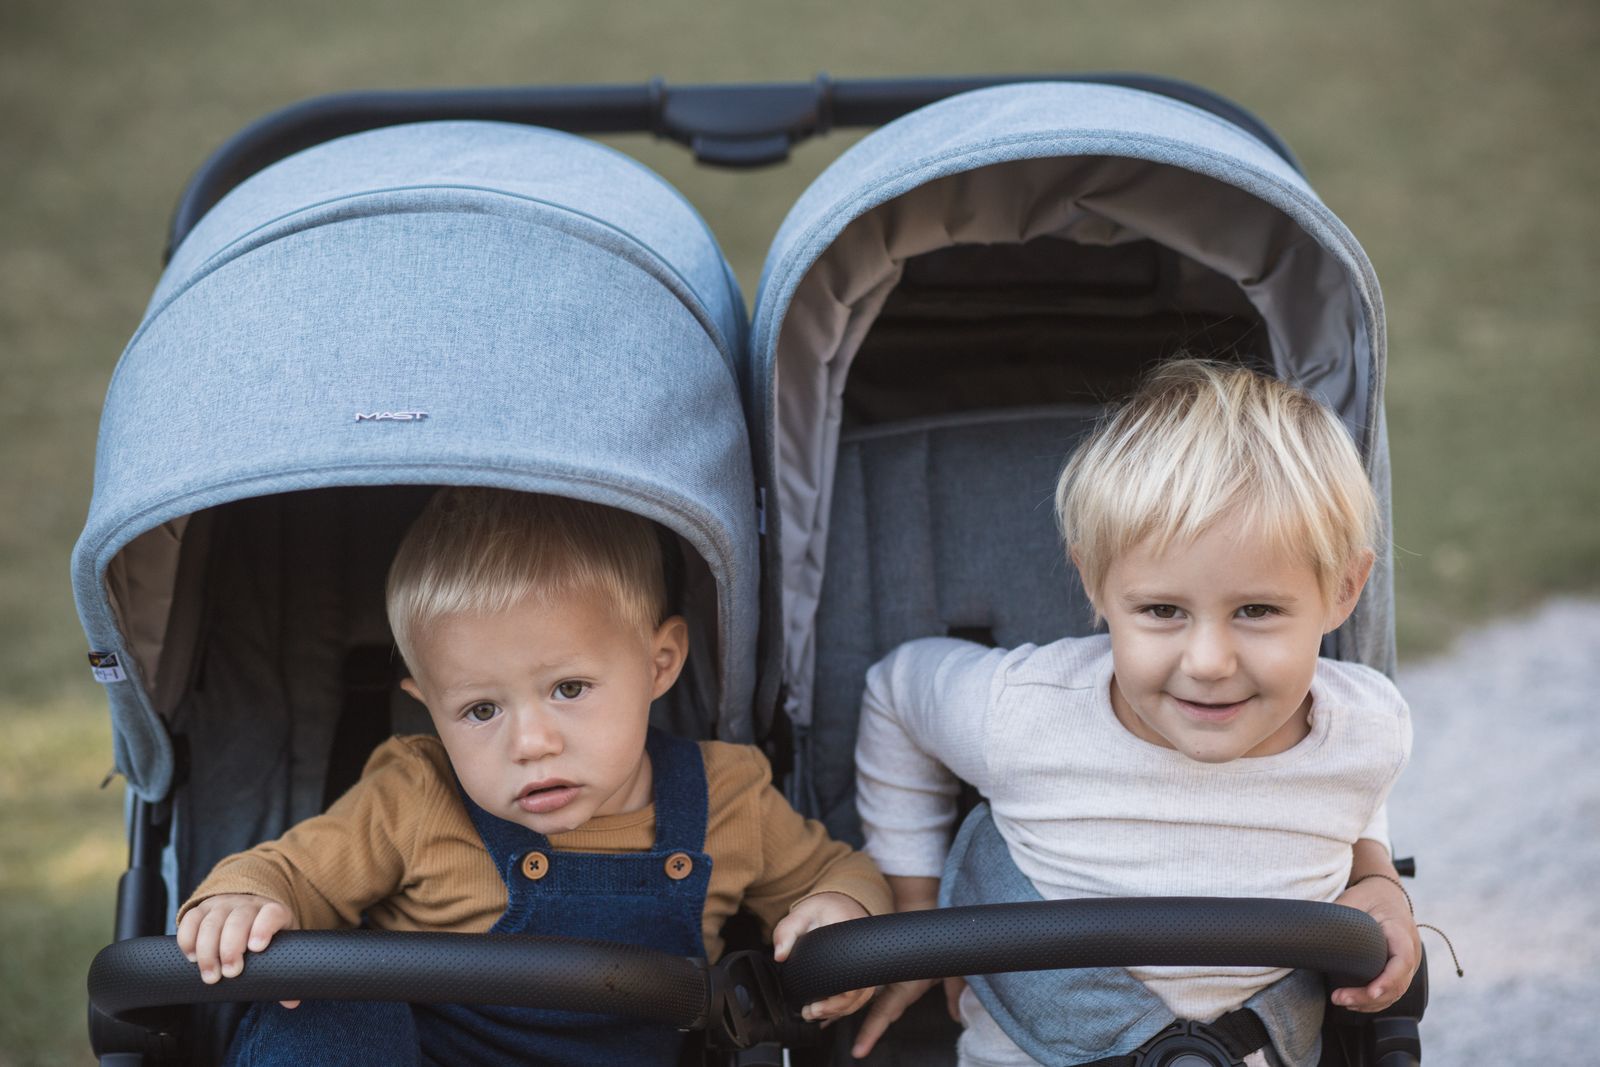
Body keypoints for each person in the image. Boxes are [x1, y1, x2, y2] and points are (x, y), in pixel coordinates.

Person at [178, 487, 888, 1066]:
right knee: (327, 1004)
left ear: (660, 662)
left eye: (570, 688)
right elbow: (293, 873)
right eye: (481, 708)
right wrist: (246, 897)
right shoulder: (416, 795)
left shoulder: (727, 796)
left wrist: (839, 913)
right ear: (428, 709)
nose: (531, 741)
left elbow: (837, 871)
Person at [850, 361, 1420, 1067]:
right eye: (1162, 610)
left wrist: (1377, 879)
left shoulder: (1369, 723)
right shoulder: (1024, 713)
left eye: (1257, 610)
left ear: (1343, 589)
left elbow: (1355, 788)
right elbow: (897, 690)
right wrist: (916, 904)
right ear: (1094, 581)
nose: (1208, 660)